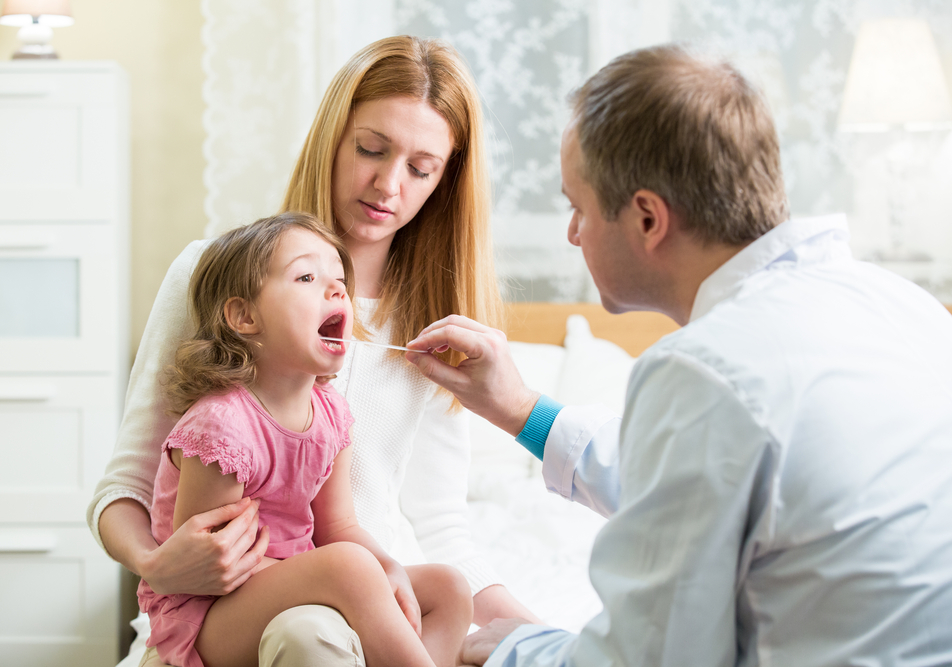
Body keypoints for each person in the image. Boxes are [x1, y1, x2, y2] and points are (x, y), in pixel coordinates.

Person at [406, 44, 952, 666]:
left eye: (576, 207)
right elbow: (707, 482)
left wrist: (520, 649)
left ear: (647, 219)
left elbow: (647, 657)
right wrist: (522, 411)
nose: (572, 233)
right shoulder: (905, 306)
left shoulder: (705, 370)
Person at [87, 36, 537, 667]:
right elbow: (125, 487)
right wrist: (157, 563)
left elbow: (440, 524)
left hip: (372, 605)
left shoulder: (434, 329)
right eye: (371, 150)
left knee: (436, 588)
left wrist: (551, 640)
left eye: (420, 168)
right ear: (334, 138)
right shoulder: (214, 277)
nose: (387, 184)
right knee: (309, 631)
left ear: (445, 180)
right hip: (250, 607)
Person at [139, 212, 471, 667]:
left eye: (339, 280)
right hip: (208, 614)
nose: (336, 290)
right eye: (307, 276)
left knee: (448, 589)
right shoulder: (222, 426)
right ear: (244, 316)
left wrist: (386, 568)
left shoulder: (332, 414)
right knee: (349, 568)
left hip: (292, 586)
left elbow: (340, 528)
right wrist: (334, 579)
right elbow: (212, 562)